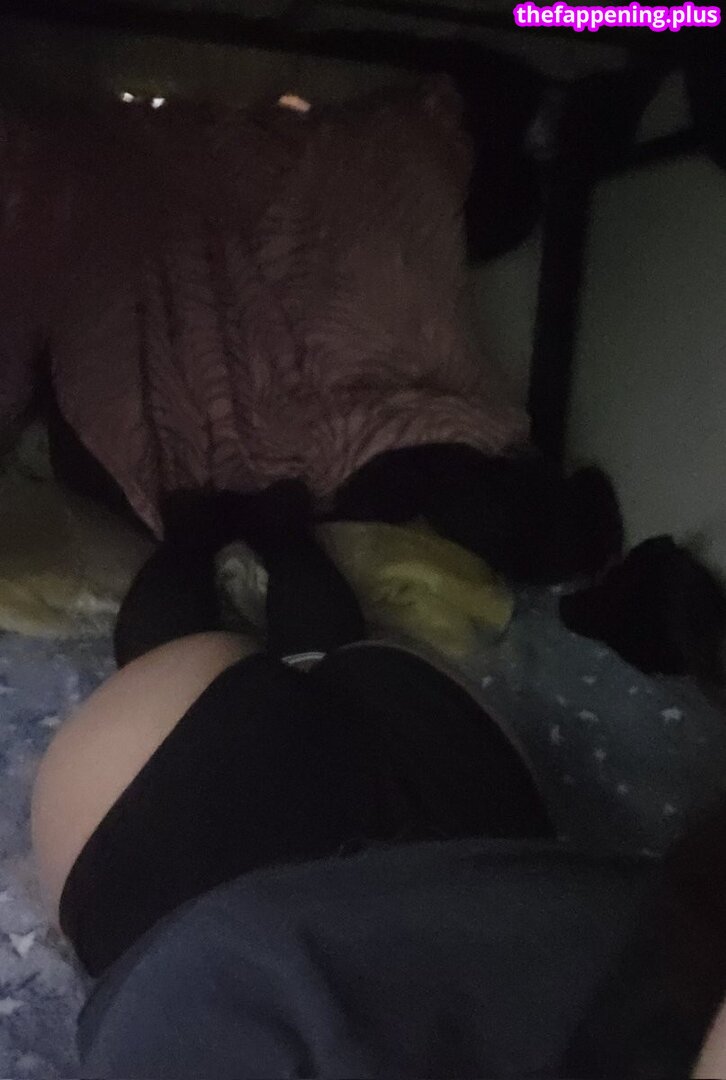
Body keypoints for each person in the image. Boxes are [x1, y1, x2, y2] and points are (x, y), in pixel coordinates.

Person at [31, 483, 722, 1078]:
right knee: (281, 661)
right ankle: (263, 528)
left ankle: (231, 529)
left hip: (444, 823)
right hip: (429, 820)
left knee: (238, 664)